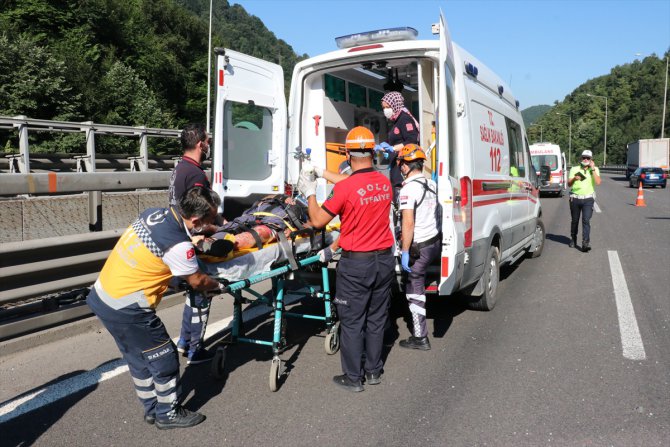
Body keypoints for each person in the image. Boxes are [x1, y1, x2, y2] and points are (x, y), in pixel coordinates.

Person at [86, 187, 224, 429]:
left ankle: (151, 408)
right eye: (211, 220)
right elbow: (198, 281)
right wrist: (218, 286)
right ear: (196, 220)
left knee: (138, 357)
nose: (213, 224)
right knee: (165, 358)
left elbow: (157, 254)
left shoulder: (153, 214)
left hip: (103, 296)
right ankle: (168, 413)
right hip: (128, 308)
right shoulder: (179, 245)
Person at [298, 126, 395, 392]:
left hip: (357, 264)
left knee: (352, 321)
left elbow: (318, 220)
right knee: (376, 318)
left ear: (348, 153)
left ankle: (353, 378)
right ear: (373, 152)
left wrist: (309, 191)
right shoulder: (384, 182)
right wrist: (320, 171)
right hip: (384, 260)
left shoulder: (346, 188)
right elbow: (354, 184)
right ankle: (373, 371)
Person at [169, 123, 228, 365]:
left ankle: (184, 342)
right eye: (208, 141)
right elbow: (199, 213)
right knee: (203, 291)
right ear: (200, 144)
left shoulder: (180, 168)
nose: (209, 145)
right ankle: (195, 349)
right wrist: (219, 229)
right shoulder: (195, 174)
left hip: (177, 234)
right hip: (190, 238)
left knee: (193, 293)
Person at [396, 144, 441, 350]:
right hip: (434, 242)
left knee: (414, 289)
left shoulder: (409, 189)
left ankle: (420, 337)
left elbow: (408, 223)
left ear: (406, 166)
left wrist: (405, 251)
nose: (400, 167)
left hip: (419, 247)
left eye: (401, 163)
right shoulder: (431, 184)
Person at [380, 91, 420, 200]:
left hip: (403, 166)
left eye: (387, 107)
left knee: (400, 195)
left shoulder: (404, 119)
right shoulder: (396, 120)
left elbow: (412, 141)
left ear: (395, 105)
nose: (385, 110)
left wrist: (392, 148)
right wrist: (385, 148)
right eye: (383, 108)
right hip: (396, 165)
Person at [567, 149, 601, 252]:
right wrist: (574, 179)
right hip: (575, 198)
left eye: (588, 158)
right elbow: (569, 184)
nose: (585, 159)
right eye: (584, 157)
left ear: (591, 160)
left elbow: (598, 182)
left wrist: (593, 169)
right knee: (575, 220)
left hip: (588, 199)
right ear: (581, 158)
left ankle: (585, 243)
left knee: (586, 220)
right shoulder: (574, 169)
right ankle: (573, 238)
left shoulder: (594, 169)